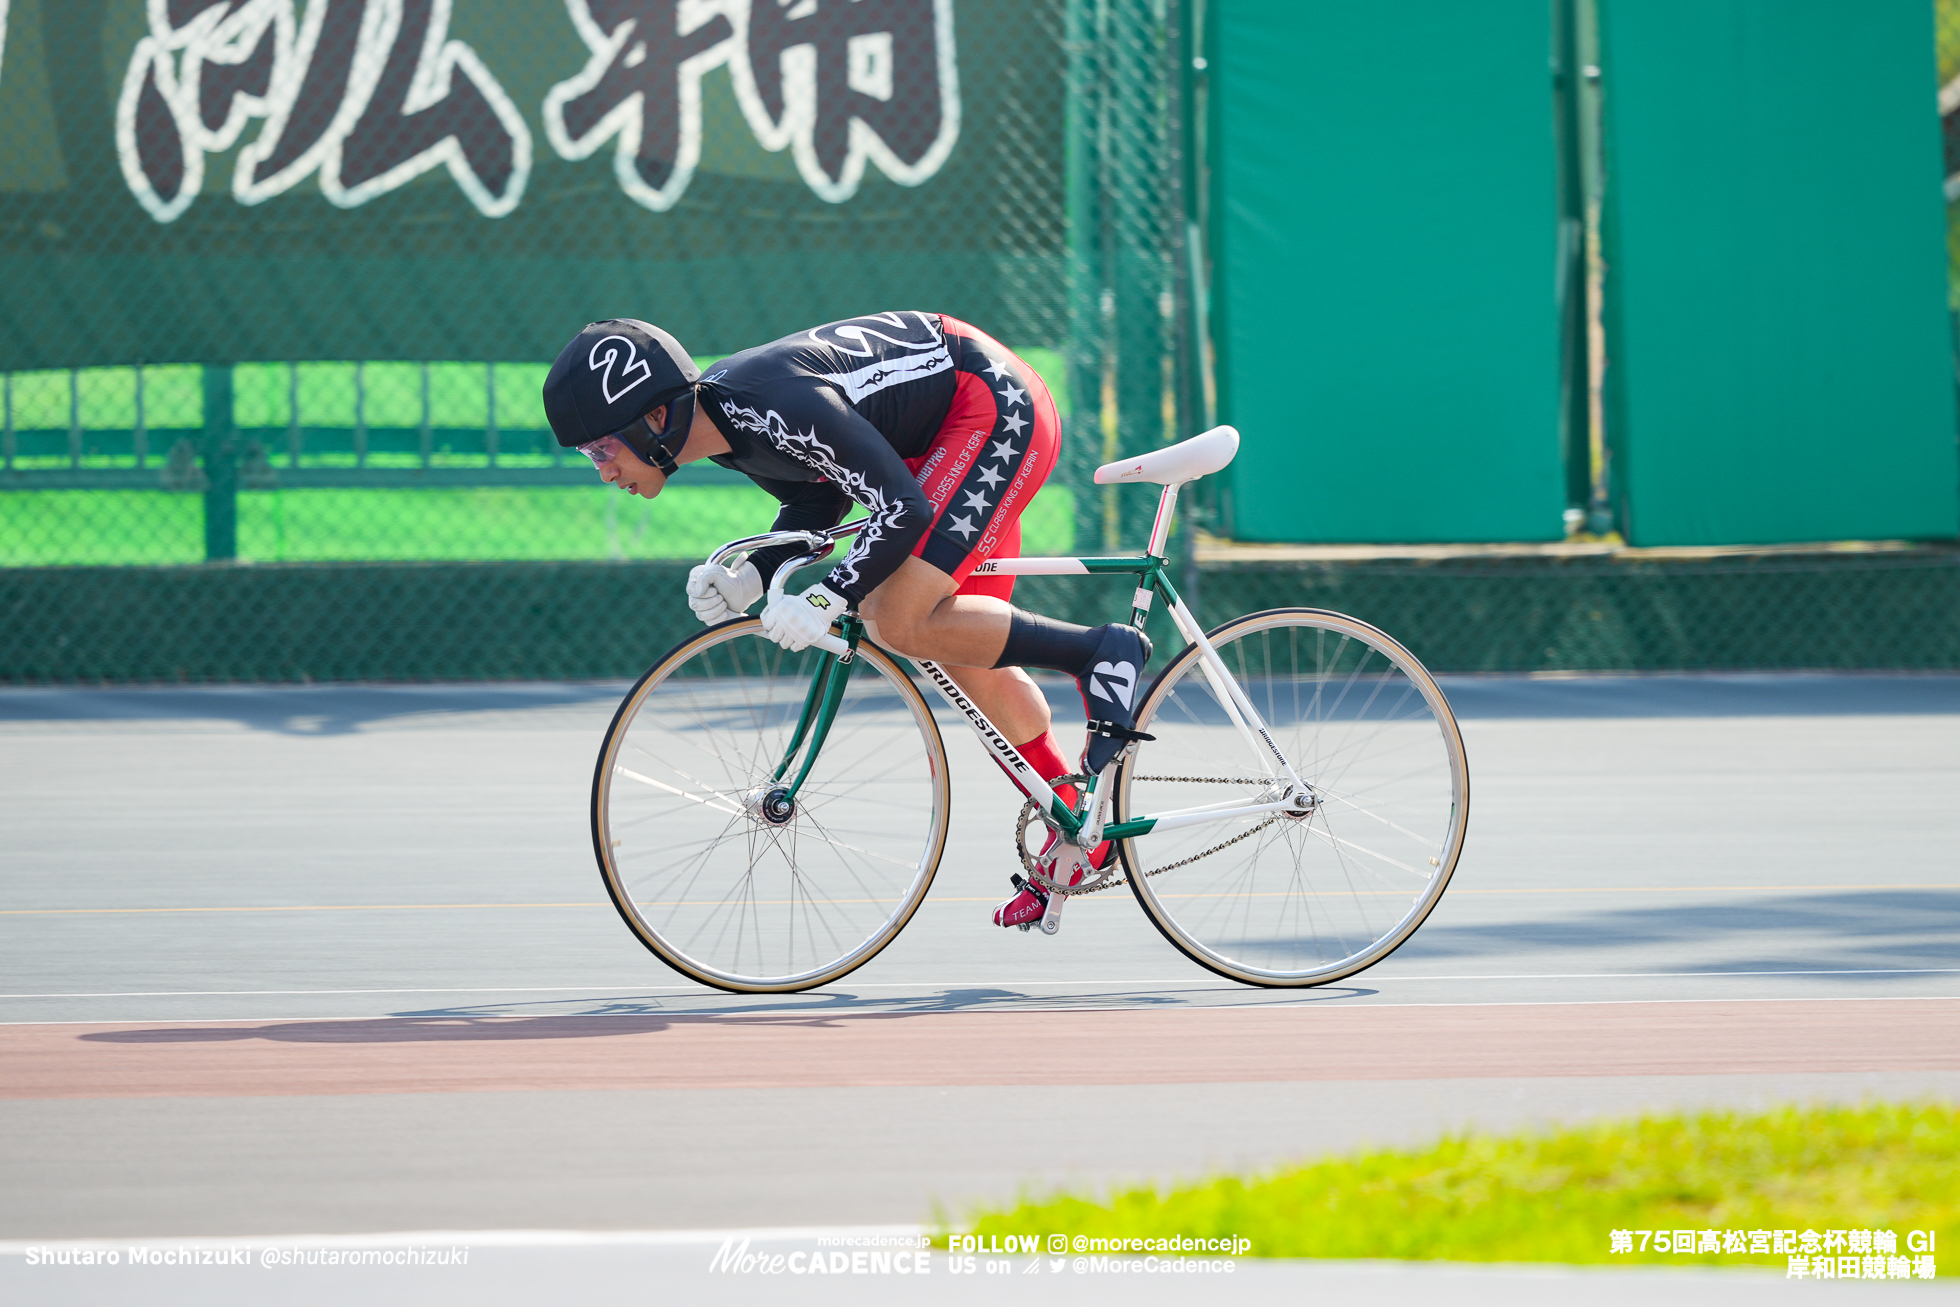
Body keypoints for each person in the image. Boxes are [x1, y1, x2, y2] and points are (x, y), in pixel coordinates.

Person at [542, 312, 1151, 929]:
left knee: (895, 617)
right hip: (939, 439)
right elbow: (817, 496)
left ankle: (1098, 651)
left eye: (601, 448)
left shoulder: (772, 403)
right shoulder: (728, 427)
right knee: (961, 652)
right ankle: (1080, 823)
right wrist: (749, 576)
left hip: (989, 406)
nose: (603, 469)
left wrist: (828, 597)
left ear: (654, 417)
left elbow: (902, 508)